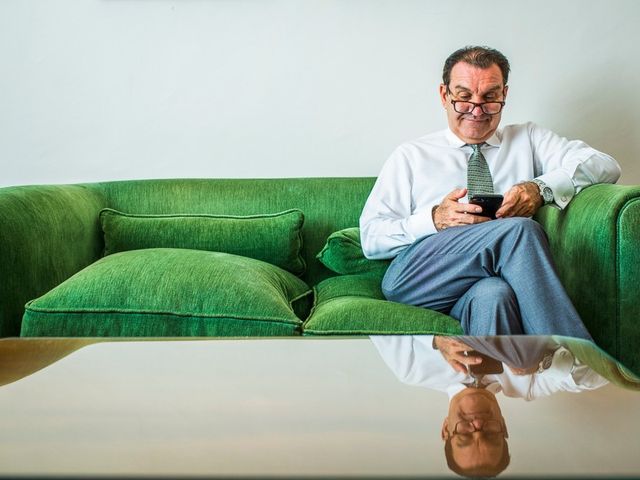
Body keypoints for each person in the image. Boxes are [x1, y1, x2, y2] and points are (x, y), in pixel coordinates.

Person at [360, 46, 621, 337]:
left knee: (494, 296)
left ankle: (498, 380)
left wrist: (540, 188)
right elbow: (371, 238)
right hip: (417, 279)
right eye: (464, 97)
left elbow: (604, 165)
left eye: (489, 98)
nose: (476, 109)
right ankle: (570, 356)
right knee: (520, 230)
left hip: (483, 286)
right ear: (445, 95)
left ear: (504, 95)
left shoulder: (528, 138)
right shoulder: (411, 155)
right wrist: (435, 219)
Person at [370, 335, 609, 477]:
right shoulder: (528, 384)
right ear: (503, 427)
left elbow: (376, 316)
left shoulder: (411, 369)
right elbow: (602, 371)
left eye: (464, 436)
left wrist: (434, 339)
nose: (476, 424)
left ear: (445, 429)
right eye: (490, 434)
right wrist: (542, 363)